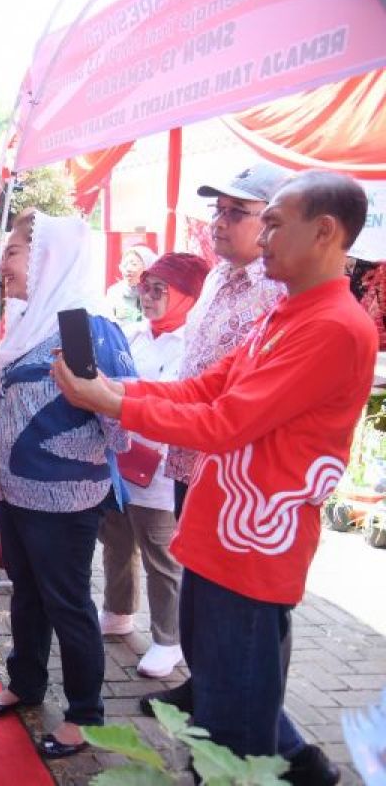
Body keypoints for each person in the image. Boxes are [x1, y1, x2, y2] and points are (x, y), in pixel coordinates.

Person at [53, 172, 375, 782]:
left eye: (275, 221)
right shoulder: (288, 310)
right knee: (226, 688)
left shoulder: (332, 326)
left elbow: (227, 420)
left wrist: (114, 403)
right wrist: (115, 390)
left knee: (230, 732)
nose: (264, 234)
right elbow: (205, 385)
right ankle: (307, 769)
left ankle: (288, 769)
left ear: (325, 231)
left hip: (254, 547)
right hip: (219, 531)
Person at [0, 209, 136, 759]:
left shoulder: (83, 328)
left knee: (68, 604)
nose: (6, 264)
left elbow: (122, 419)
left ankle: (85, 714)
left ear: (48, 259)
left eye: (15, 251)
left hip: (64, 499)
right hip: (17, 492)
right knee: (28, 595)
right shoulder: (29, 321)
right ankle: (26, 683)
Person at [140, 162, 290, 714]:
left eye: (237, 212)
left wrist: (128, 404)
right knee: (200, 590)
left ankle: (263, 733)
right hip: (190, 458)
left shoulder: (282, 294)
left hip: (238, 471)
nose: (220, 223)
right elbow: (199, 375)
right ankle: (202, 684)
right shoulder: (217, 279)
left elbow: (238, 402)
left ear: (279, 222)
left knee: (240, 616)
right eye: (218, 211)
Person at [97, 253, 210, 679]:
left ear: (187, 296)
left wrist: (118, 392)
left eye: (160, 289)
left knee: (161, 554)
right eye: (145, 287)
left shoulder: (193, 344)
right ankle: (118, 610)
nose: (148, 296)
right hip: (124, 459)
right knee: (117, 540)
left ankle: (169, 638)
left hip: (163, 466)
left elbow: (171, 396)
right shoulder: (135, 334)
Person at [106, 245, 156, 324]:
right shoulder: (114, 292)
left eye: (134, 264)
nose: (128, 269)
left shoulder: (156, 295)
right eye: (125, 265)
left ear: (148, 267)